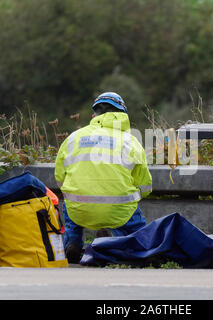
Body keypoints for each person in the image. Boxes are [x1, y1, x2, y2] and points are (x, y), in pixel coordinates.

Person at [55, 92, 152, 263]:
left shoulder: (73, 138)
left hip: (80, 210)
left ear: (94, 115)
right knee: (134, 220)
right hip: (118, 211)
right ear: (123, 115)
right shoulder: (131, 141)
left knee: (69, 204)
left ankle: (73, 242)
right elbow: (145, 186)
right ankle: (140, 245)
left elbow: (60, 179)